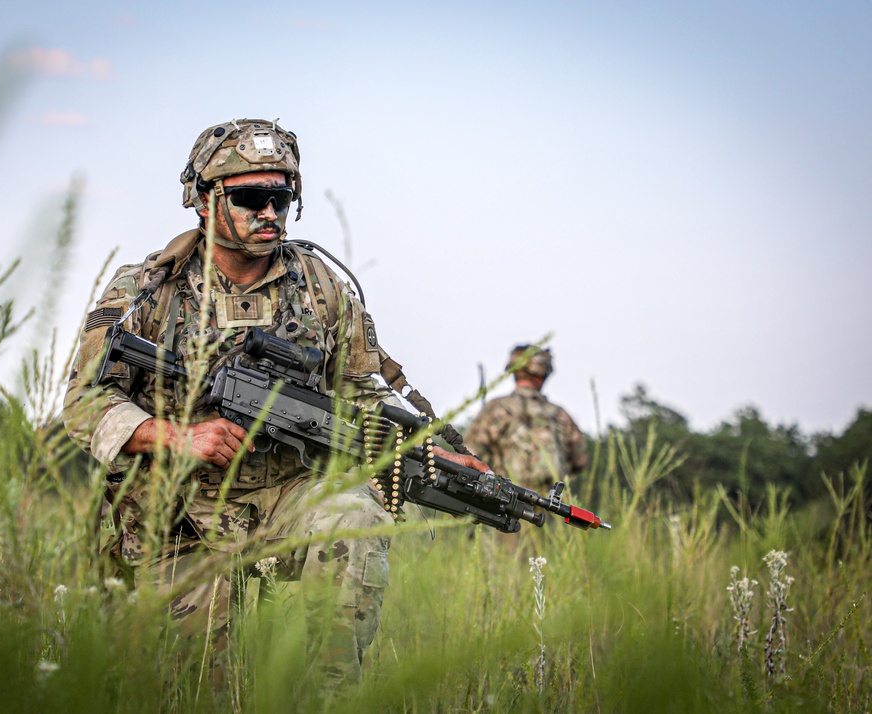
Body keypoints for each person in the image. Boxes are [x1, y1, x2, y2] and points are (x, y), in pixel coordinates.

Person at [62, 118, 486, 685]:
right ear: (205, 200)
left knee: (354, 516)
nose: (269, 213)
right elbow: (84, 403)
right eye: (250, 197)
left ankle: (327, 698)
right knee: (197, 686)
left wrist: (429, 448)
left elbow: (361, 389)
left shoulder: (320, 286)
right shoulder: (148, 288)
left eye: (281, 198)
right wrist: (178, 436)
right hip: (177, 513)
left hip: (288, 493)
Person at [464, 344, 589, 495]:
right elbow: (580, 460)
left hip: (505, 502)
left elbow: (469, 454)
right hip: (550, 507)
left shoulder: (497, 409)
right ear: (542, 375)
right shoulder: (559, 415)